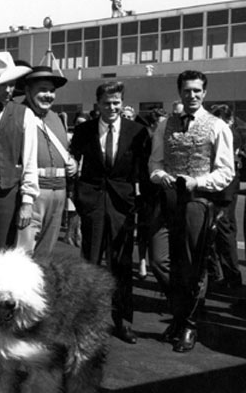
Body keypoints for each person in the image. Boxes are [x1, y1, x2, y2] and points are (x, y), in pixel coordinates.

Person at [149, 70, 234, 353]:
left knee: (192, 267)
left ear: (205, 93)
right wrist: (161, 176)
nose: (192, 95)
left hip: (198, 201)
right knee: (159, 259)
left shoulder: (217, 126)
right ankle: (180, 312)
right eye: (187, 90)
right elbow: (155, 163)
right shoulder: (165, 124)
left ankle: (187, 324)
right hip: (169, 199)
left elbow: (226, 172)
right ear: (180, 92)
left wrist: (199, 181)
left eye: (197, 91)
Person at [70, 81, 149, 345]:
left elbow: (143, 173)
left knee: (122, 264)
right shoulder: (83, 131)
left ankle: (123, 321)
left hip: (121, 205)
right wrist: (76, 206)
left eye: (116, 103)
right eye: (107, 103)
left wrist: (140, 206)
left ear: (123, 103)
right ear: (98, 105)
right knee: (90, 263)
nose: (112, 107)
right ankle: (86, 321)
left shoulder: (137, 132)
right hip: (92, 203)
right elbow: (73, 168)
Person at [14, 66, 76, 258]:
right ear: (28, 91)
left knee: (45, 253)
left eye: (51, 91)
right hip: (33, 192)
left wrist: (71, 160)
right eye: (42, 89)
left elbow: (65, 150)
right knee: (23, 252)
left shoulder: (57, 118)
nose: (48, 95)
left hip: (59, 191)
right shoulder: (17, 114)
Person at [0, 52, 36, 250]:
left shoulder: (24, 114)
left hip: (6, 188)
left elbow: (30, 159)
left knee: (1, 246)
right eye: (4, 84)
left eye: (12, 84)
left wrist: (27, 201)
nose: (9, 90)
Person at [208, 104, 242, 290]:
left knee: (223, 231)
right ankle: (220, 275)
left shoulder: (229, 136)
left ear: (229, 120)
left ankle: (231, 278)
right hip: (220, 190)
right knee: (220, 233)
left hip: (224, 192)